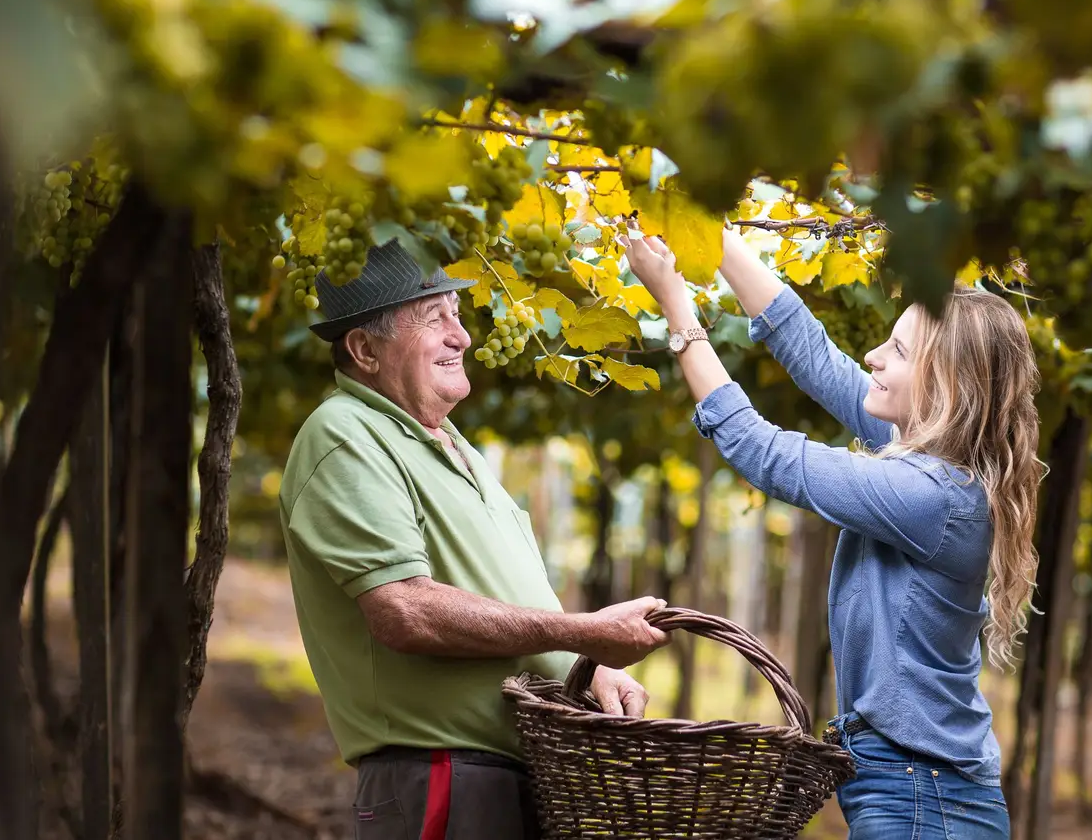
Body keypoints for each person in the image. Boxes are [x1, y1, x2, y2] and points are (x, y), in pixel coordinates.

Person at [622, 227, 1043, 839]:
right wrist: (707, 233)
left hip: (924, 800)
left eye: (896, 350)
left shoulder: (931, 496)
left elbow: (763, 450)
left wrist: (677, 310)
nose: (873, 355)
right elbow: (811, 353)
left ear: (944, 384)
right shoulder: (925, 462)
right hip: (915, 789)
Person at [277, 238, 671, 840]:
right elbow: (406, 612)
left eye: (457, 315)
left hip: (510, 774)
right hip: (442, 773)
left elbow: (501, 598)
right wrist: (584, 632)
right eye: (434, 319)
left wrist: (582, 669)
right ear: (364, 348)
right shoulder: (345, 435)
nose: (462, 337)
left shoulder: (450, 443)